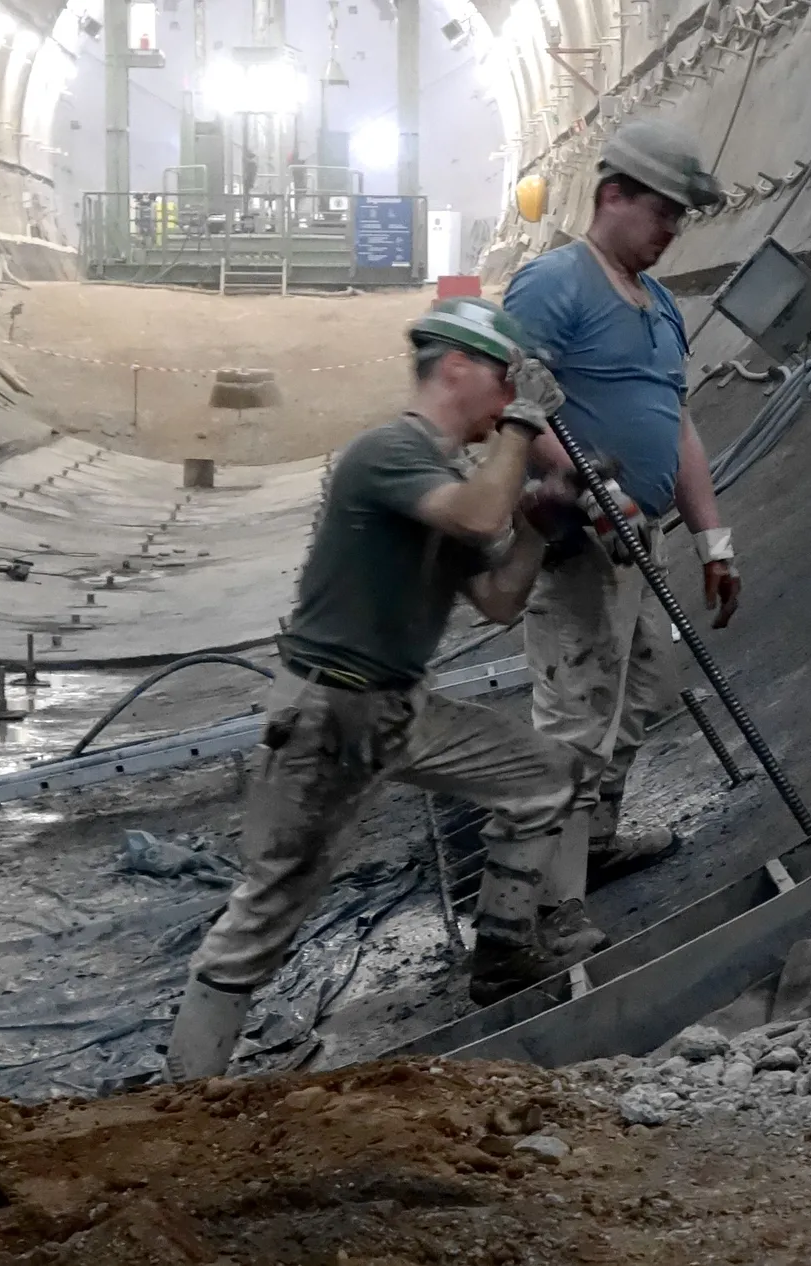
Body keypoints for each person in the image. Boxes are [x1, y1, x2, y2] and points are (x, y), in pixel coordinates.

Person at [164, 298, 602, 1081]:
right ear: (458, 368)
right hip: (326, 713)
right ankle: (182, 1097)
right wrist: (526, 425)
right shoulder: (386, 452)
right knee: (264, 914)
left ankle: (502, 957)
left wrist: (540, 528)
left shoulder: (440, 479)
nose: (506, 403)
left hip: (397, 707)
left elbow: (500, 600)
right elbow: (476, 516)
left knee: (548, 778)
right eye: (504, 384)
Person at [500, 119, 740, 915]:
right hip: (579, 543)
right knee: (575, 717)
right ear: (612, 195)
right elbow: (514, 413)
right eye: (664, 211)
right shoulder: (554, 284)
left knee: (639, 695)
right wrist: (596, 492)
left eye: (681, 217)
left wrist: (712, 539)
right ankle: (535, 902)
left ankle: (590, 850)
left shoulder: (662, 307)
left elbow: (677, 425)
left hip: (642, 539)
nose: (673, 230)